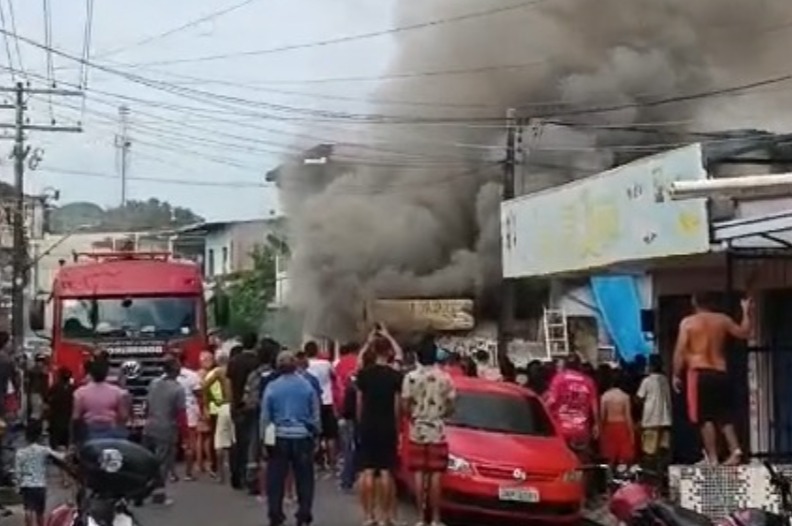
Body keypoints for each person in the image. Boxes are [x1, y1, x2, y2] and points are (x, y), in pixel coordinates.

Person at [672, 292, 752, 465]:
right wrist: (745, 311)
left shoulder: (688, 323)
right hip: (721, 372)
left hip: (698, 372)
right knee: (724, 415)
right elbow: (745, 333)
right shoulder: (722, 320)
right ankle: (735, 450)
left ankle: (713, 457)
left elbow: (680, 350)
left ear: (694, 303)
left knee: (704, 417)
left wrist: (676, 374)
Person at [402, 335, 456, 526]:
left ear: (418, 356)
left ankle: (419, 518)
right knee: (435, 475)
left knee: (419, 473)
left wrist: (413, 416)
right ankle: (435, 518)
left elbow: (405, 404)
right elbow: (451, 405)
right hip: (438, 430)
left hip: (417, 428)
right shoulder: (445, 378)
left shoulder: (410, 377)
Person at [261, 351, 320, 526]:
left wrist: (264, 438)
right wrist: (316, 434)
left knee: (276, 478)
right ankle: (304, 513)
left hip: (279, 436)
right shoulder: (306, 385)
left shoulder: (272, 387)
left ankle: (275, 514)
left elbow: (265, 416)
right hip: (302, 436)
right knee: (305, 478)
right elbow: (315, 413)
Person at [356, 336, 402, 526]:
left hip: (368, 424)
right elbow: (397, 407)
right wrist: (396, 427)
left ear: (373, 352)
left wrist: (367, 342)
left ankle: (368, 516)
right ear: (389, 352)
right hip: (387, 425)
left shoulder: (364, 375)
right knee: (385, 472)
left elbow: (359, 404)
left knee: (367, 471)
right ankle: (385, 517)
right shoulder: (395, 376)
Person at [142, 356, 186, 505]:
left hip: (149, 427)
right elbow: (181, 414)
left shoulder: (154, 383)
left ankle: (140, 491)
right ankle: (159, 495)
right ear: (175, 370)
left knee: (147, 461)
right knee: (162, 463)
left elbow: (147, 406)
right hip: (165, 429)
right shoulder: (178, 389)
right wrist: (183, 434)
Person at [544, 353, 599, 460]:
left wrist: (542, 413)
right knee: (580, 463)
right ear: (579, 365)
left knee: (561, 461)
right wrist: (596, 424)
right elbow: (594, 405)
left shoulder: (559, 379)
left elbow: (552, 400)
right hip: (581, 430)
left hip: (561, 428)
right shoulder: (588, 381)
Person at [227, 333, 261, 490]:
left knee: (238, 441)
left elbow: (228, 384)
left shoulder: (233, 361)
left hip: (236, 407)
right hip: (253, 407)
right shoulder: (257, 362)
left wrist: (231, 403)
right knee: (253, 442)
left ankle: (236, 474)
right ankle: (250, 477)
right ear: (255, 344)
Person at [15, 421, 65, 526]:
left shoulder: (20, 453)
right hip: (40, 485)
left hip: (26, 485)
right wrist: (67, 453)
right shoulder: (43, 450)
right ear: (39, 436)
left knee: (28, 509)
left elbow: (18, 471)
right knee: (40, 512)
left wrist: (17, 486)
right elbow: (60, 457)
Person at [72, 358, 128, 442]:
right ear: (106, 374)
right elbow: (124, 416)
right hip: (111, 431)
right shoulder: (117, 392)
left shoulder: (80, 393)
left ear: (91, 373)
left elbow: (76, 417)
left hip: (89, 432)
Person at [305, 341, 337, 472]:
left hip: (312, 403)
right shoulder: (326, 364)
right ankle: (332, 462)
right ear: (317, 350)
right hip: (327, 401)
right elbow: (334, 376)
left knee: (315, 433)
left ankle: (315, 461)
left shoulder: (305, 366)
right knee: (330, 435)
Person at [637, 354, 672, 471]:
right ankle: (661, 474)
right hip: (665, 420)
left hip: (650, 420)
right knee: (662, 451)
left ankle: (650, 475)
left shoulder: (647, 381)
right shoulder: (665, 380)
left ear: (650, 366)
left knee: (649, 452)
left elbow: (639, 398)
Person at [205, 351, 234, 483]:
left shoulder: (217, 372)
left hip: (222, 406)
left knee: (220, 442)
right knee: (234, 441)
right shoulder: (233, 370)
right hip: (233, 406)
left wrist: (211, 402)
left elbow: (206, 385)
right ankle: (236, 471)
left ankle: (221, 475)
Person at [174, 352, 202, 481]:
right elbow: (199, 394)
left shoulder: (164, 377)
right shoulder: (192, 375)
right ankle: (188, 473)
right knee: (189, 442)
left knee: (172, 444)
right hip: (189, 411)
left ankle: (171, 474)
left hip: (172, 413)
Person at [599, 369, 636, 466]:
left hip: (609, 427)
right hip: (622, 427)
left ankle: (609, 478)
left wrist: (601, 432)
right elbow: (628, 417)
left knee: (609, 457)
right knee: (623, 459)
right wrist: (632, 434)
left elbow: (602, 417)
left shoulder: (605, 396)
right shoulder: (625, 397)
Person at [45, 367, 73, 487]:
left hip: (56, 422)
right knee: (67, 447)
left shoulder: (55, 388)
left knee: (57, 448)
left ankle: (63, 474)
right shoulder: (74, 389)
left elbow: (47, 400)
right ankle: (67, 474)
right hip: (68, 423)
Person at [196, 350, 216, 475]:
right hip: (206, 407)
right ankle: (209, 463)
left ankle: (199, 464)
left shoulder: (196, 374)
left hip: (198, 408)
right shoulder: (209, 375)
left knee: (199, 437)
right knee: (208, 437)